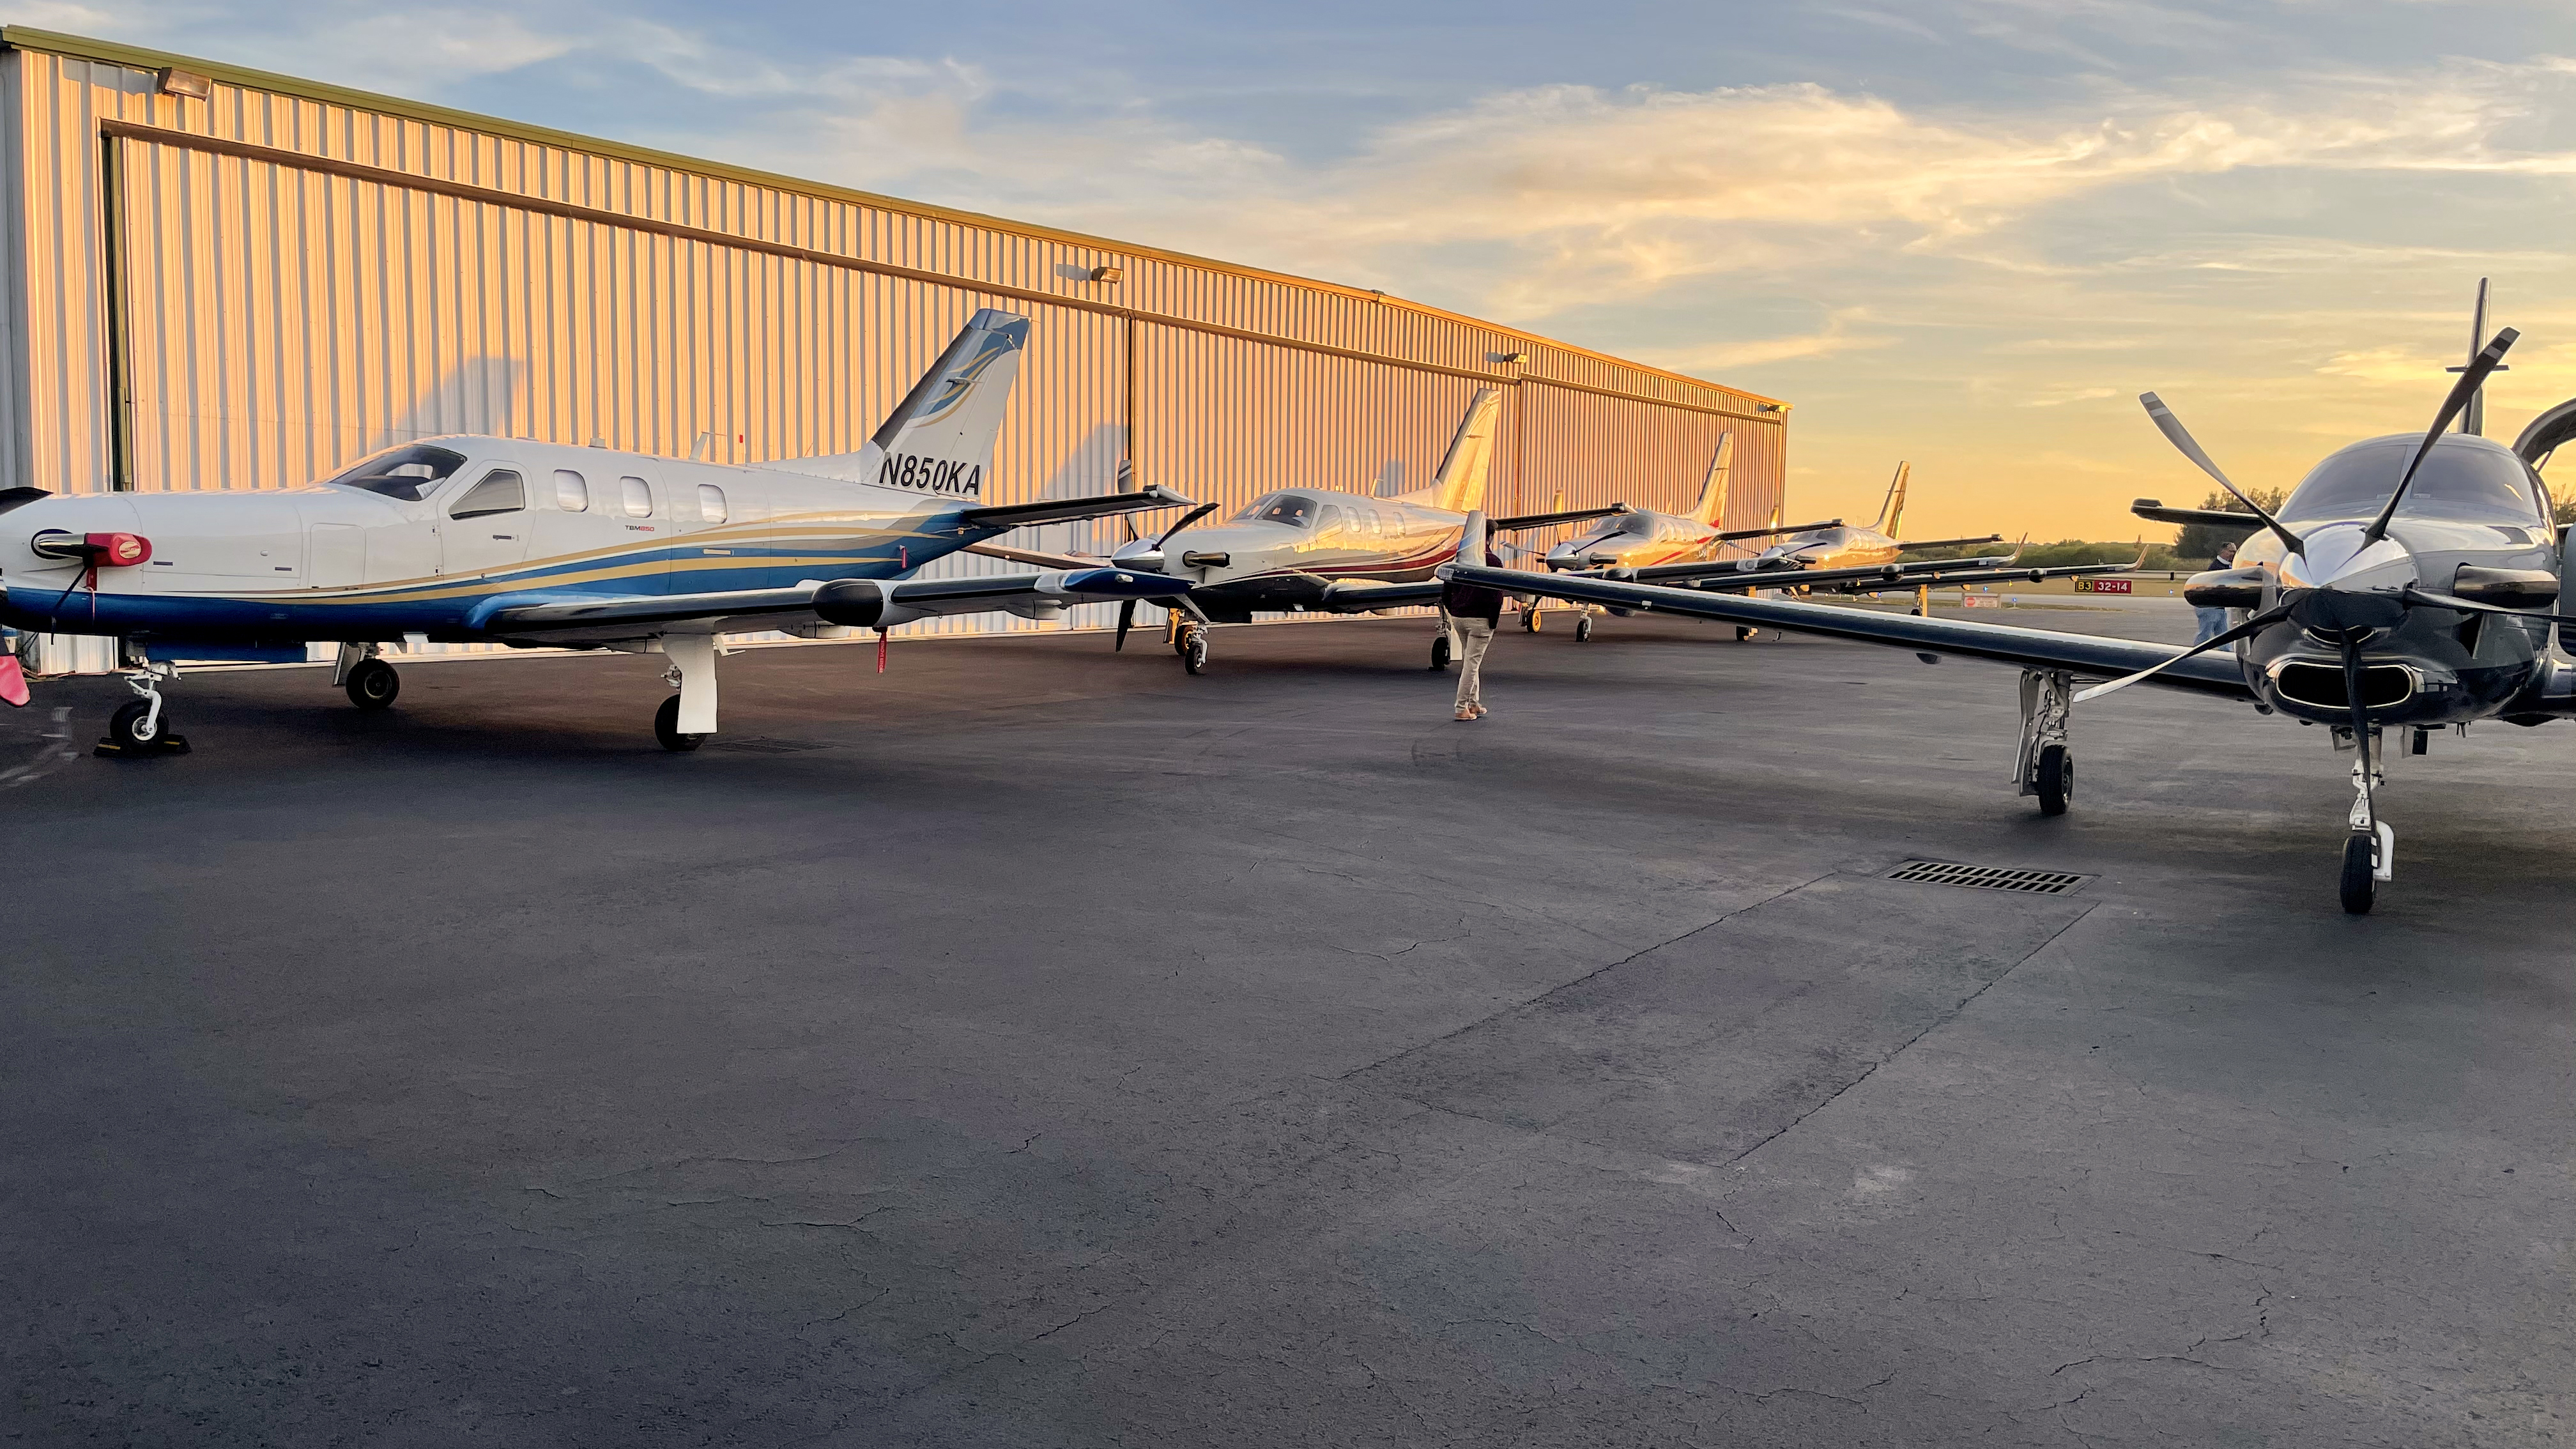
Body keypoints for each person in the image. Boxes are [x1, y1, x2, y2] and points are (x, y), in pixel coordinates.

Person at [1441, 548, 1505, 721]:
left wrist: (1454, 610)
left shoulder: (1460, 560)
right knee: (1472, 664)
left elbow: (1446, 589)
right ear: (1490, 537)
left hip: (1460, 618)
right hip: (1480, 620)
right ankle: (1461, 707)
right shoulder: (1493, 562)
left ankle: (1473, 703)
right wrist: (1493, 621)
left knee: (1469, 659)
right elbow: (1497, 595)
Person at [2192, 540, 2239, 644]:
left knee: (2223, 637)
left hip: (2219, 608)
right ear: (2223, 552)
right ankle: (2196, 656)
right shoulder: (2217, 568)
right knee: (2205, 636)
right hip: (2209, 607)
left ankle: (2226, 657)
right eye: (2231, 551)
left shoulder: (2226, 566)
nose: (2233, 554)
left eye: (2235, 551)